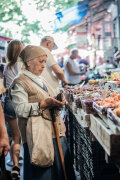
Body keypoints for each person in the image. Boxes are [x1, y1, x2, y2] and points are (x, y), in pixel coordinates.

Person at [9, 45, 75, 180]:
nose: (44, 65)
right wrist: (43, 104)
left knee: (60, 172)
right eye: (41, 61)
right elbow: (21, 110)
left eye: (45, 61)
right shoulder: (19, 82)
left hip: (54, 133)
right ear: (28, 62)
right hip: (38, 137)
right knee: (43, 174)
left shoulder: (40, 78)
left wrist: (58, 100)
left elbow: (48, 96)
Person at [3, 40, 23, 178]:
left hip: (8, 101)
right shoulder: (22, 65)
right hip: (20, 100)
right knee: (19, 137)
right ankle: (17, 165)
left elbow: (4, 87)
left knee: (13, 136)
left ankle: (15, 163)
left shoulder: (6, 67)